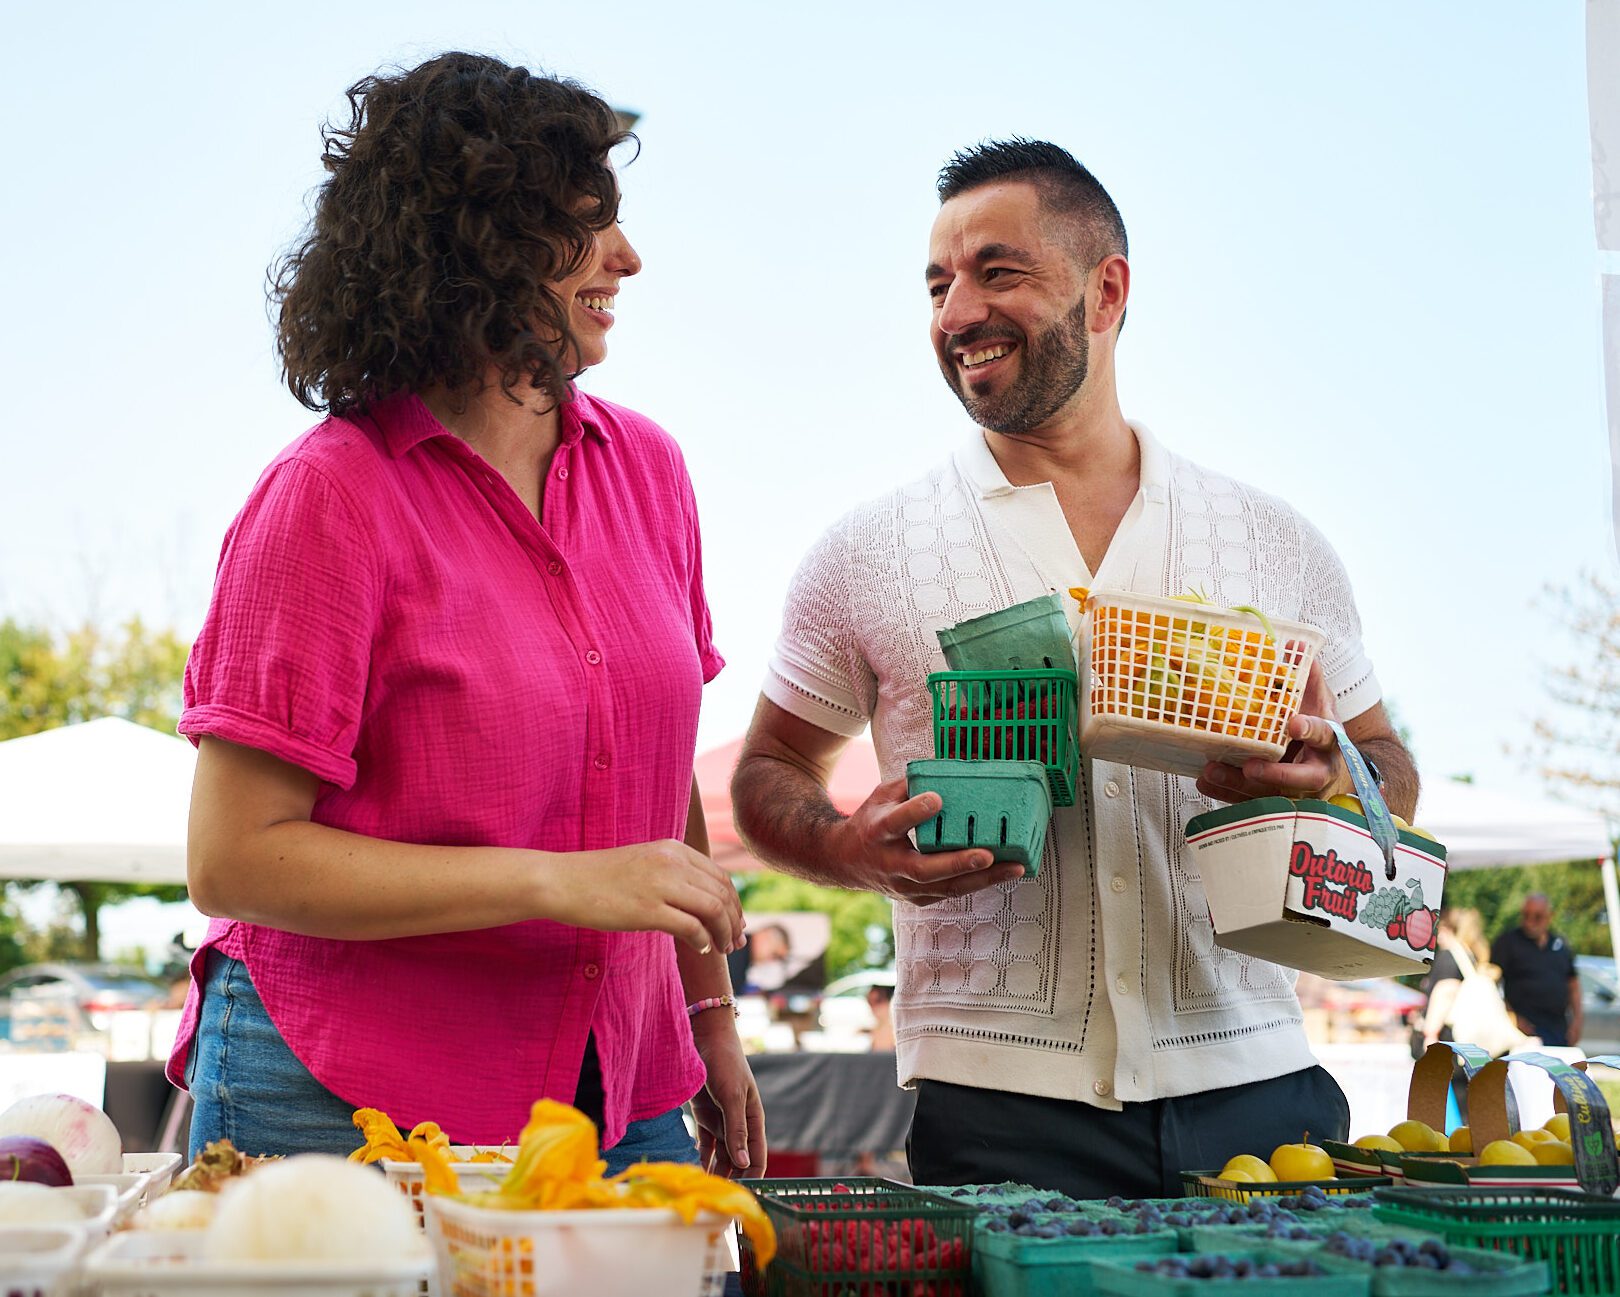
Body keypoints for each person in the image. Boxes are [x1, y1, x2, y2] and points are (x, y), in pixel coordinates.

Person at [730, 138, 1418, 1197]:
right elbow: (768, 768)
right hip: (996, 1111)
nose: (955, 313)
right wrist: (853, 850)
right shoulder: (868, 549)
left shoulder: (1271, 539)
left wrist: (1329, 775)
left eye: (997, 271)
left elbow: (1387, 766)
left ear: (1108, 291)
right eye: (937, 283)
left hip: (1263, 1086)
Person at [169, 52, 764, 1180]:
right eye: (585, 229)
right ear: (476, 247)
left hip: (622, 1078)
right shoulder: (329, 496)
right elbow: (232, 859)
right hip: (340, 1096)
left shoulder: (650, 468)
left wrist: (709, 1014)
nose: (627, 260)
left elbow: (654, 763)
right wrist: (557, 878)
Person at [1490, 894, 1583, 1047]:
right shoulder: (1508, 942)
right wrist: (1511, 1016)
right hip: (1521, 1032)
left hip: (1557, 1029)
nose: (1530, 922)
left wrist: (1577, 1021)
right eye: (1526, 915)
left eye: (1538, 916)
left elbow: (1573, 985)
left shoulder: (1561, 945)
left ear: (1549, 916)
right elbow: (1492, 984)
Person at [726, 922, 791, 994]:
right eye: (774, 955)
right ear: (763, 936)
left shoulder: (736, 945)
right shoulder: (736, 956)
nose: (771, 961)